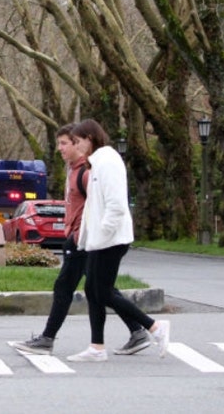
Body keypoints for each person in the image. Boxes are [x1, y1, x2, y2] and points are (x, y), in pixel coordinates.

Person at [11, 124, 152, 356]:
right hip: (81, 238)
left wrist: (90, 234)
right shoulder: (75, 170)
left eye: (66, 143)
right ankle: (136, 331)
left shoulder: (87, 173)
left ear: (81, 143)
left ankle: (48, 339)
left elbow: (103, 204)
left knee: (67, 287)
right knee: (100, 290)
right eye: (61, 144)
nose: (61, 149)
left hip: (85, 240)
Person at [66, 118, 170, 363]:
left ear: (90, 139)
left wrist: (101, 235)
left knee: (103, 292)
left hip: (110, 240)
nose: (76, 146)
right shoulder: (97, 163)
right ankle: (97, 346)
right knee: (93, 291)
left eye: (78, 141)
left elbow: (116, 206)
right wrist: (87, 238)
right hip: (100, 240)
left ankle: (154, 327)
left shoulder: (108, 162)